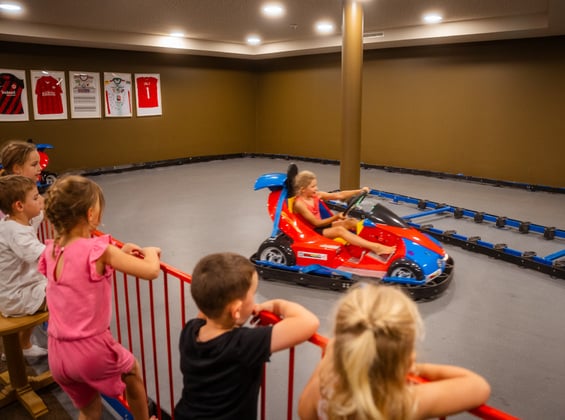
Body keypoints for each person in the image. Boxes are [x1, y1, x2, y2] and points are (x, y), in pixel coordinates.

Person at [38, 175, 161, 420]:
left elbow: (82, 271)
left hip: (58, 352)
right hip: (90, 349)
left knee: (88, 408)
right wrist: (150, 253)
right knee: (132, 372)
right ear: (91, 213)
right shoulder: (99, 250)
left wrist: (119, 253)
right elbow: (151, 271)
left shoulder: (51, 249)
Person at [298, 283, 491, 420]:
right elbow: (478, 386)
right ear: (407, 359)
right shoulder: (403, 405)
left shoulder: (326, 392)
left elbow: (304, 412)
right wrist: (414, 368)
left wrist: (332, 359)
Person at [174, 252, 320, 420]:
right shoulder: (243, 344)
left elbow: (208, 307)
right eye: (253, 293)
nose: (255, 298)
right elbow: (308, 322)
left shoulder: (190, 331)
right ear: (236, 310)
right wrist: (277, 305)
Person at [292, 170, 396, 256]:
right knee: (340, 230)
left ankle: (380, 241)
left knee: (351, 221)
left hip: (322, 227)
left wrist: (359, 191)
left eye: (316, 185)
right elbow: (316, 223)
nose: (316, 189)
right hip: (312, 232)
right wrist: (336, 217)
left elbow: (340, 195)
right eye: (313, 187)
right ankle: (376, 248)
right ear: (303, 189)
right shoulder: (299, 204)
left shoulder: (316, 195)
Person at [0, 175, 48, 357]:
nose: (41, 199)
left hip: (20, 289)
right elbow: (42, 256)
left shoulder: (13, 221)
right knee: (67, 295)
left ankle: (23, 345)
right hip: (19, 296)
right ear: (19, 206)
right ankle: (70, 348)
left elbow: (37, 216)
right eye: (36, 197)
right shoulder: (16, 233)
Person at [0, 140, 43, 226]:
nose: (40, 168)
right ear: (17, 169)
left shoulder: (32, 192)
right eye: (34, 164)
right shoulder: (8, 198)